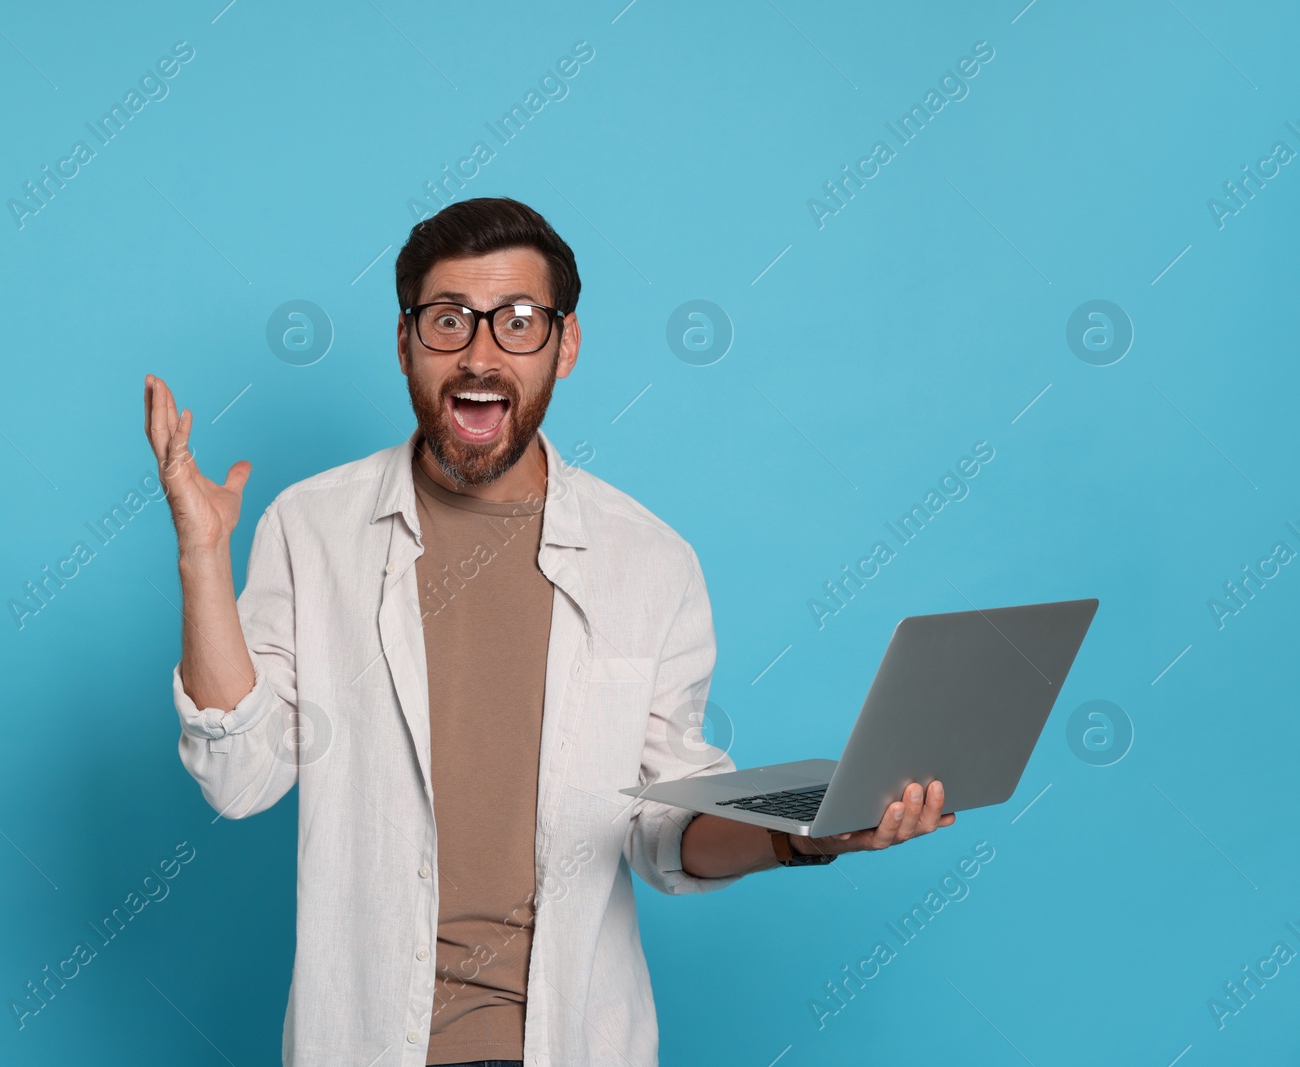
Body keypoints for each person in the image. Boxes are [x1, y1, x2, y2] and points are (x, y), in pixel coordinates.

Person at [142, 197, 953, 1067]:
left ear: (565, 346)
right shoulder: (311, 527)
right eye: (448, 321)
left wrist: (805, 833)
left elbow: (664, 823)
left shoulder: (647, 558)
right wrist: (200, 557)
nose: (480, 354)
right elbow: (239, 774)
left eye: (519, 322)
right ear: (406, 343)